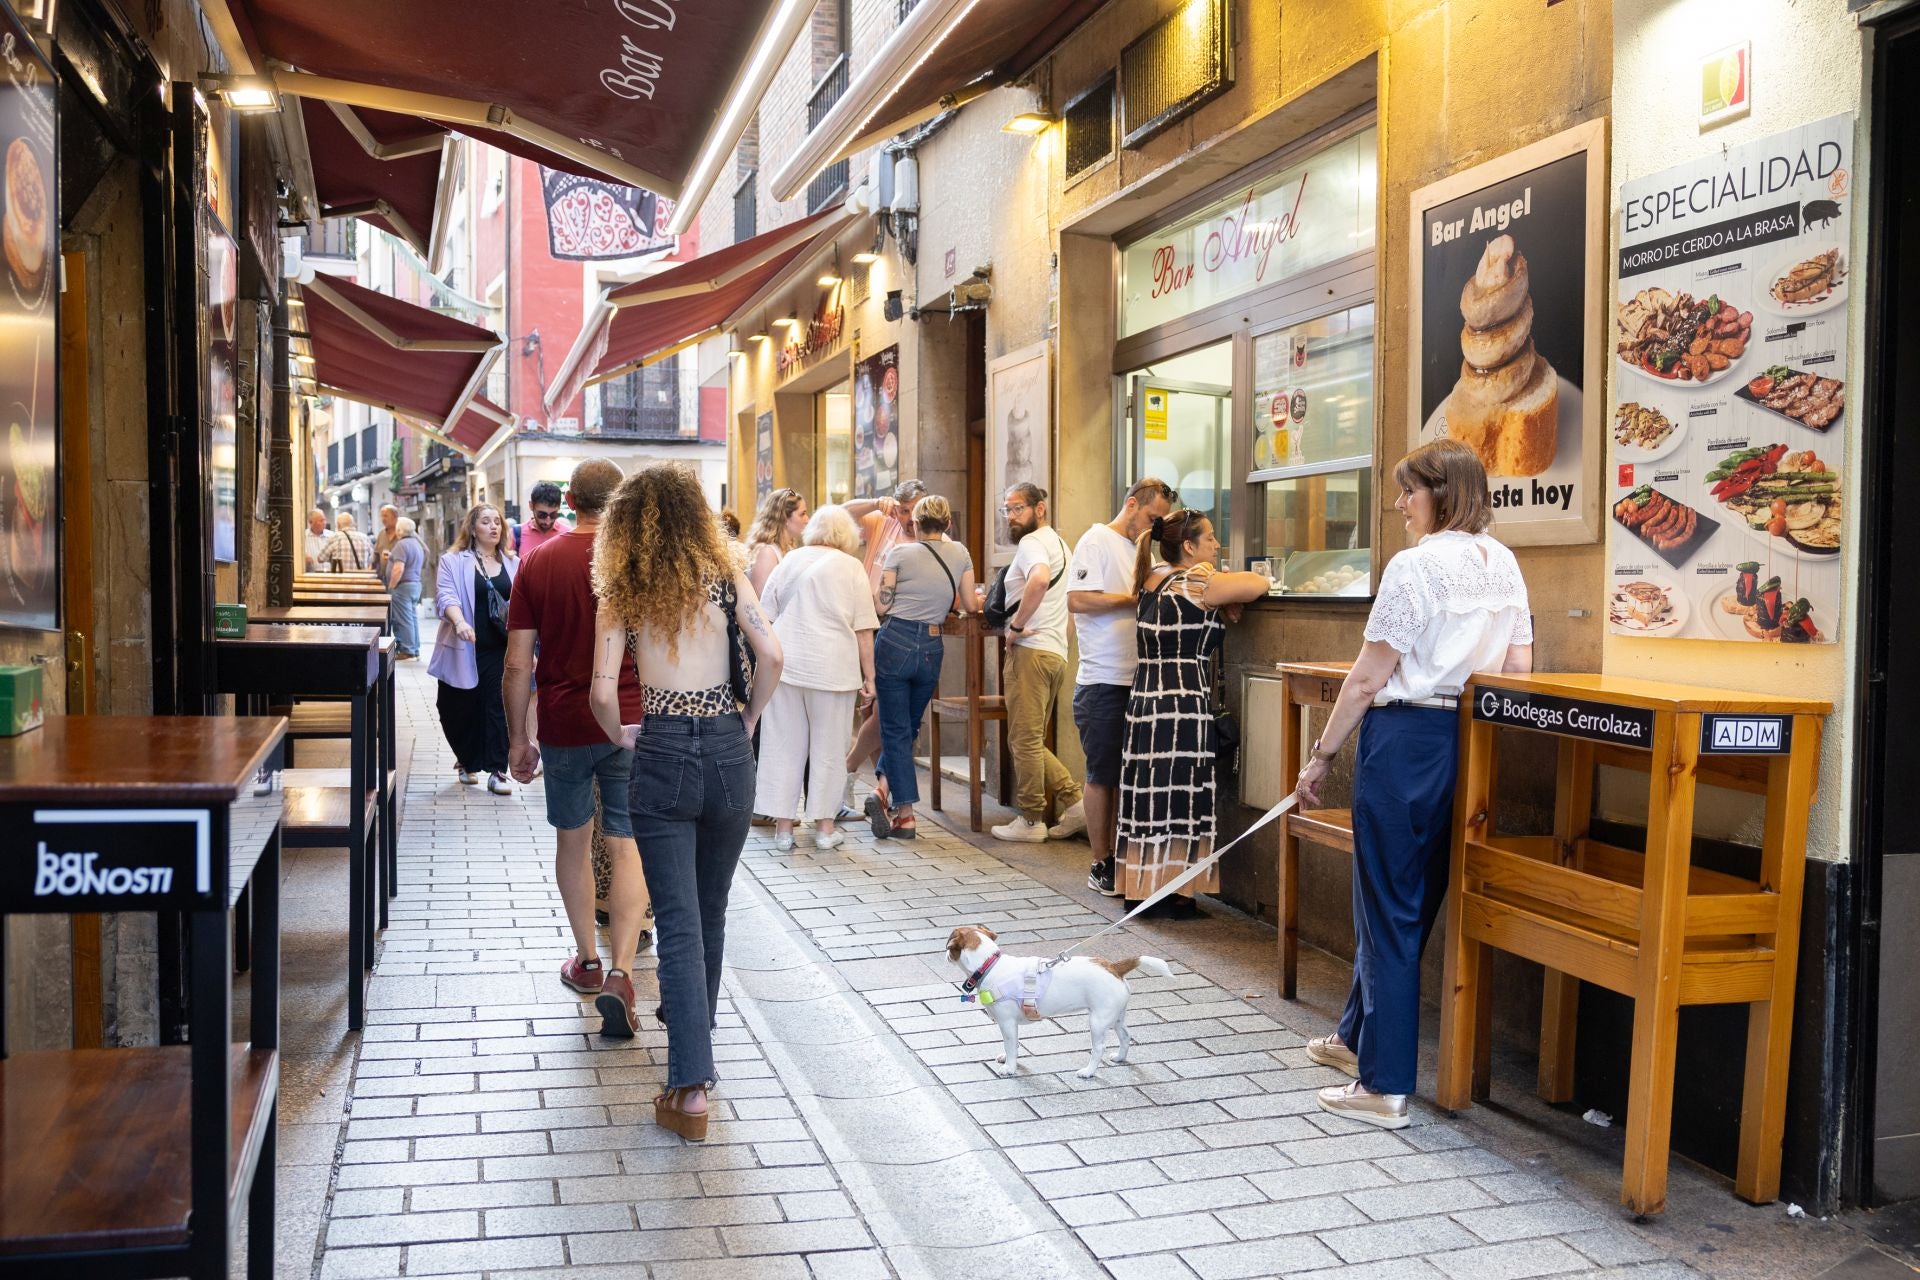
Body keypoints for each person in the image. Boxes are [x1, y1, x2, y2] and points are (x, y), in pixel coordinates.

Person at [1292, 439, 1532, 1130]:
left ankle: (1385, 1086)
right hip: (1471, 740)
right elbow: (1517, 668)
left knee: (1388, 905)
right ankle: (1355, 1038)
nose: (1400, 505)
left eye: (1409, 491)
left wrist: (1320, 756)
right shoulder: (1505, 565)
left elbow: (1368, 675)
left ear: (1442, 493)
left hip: (1404, 742)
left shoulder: (1415, 566)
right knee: (1411, 900)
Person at [589, 463, 783, 1141]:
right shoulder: (729, 576)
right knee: (710, 910)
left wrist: (625, 736)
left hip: (664, 746)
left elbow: (603, 694)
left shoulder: (624, 589)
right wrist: (748, 721)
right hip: (729, 747)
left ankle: (689, 1087)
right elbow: (772, 655)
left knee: (675, 920)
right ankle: (692, 1027)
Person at [503, 459, 654, 1007]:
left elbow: (518, 664)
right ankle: (622, 970)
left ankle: (586, 960)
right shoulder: (639, 563)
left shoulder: (539, 562)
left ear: (570, 498)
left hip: (566, 723)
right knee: (627, 843)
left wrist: (520, 738)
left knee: (573, 839)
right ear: (621, 499)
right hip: (633, 721)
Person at [1114, 509, 1270, 916]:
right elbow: (1259, 582)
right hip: (1181, 701)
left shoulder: (1152, 579)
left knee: (1147, 797)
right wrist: (1226, 590)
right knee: (1183, 797)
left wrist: (1221, 602)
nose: (1216, 546)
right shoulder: (1195, 580)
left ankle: (1141, 890)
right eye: (1211, 539)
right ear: (1189, 546)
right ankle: (1180, 896)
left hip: (1145, 699)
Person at [1067, 478, 1177, 895]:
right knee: (1102, 774)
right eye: (1151, 518)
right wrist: (1132, 600)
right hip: (1102, 680)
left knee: (1131, 777)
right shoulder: (1096, 540)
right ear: (1131, 504)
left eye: (1161, 523)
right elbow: (1077, 600)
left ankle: (1126, 858)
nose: (1154, 527)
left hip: (1141, 678)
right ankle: (1100, 863)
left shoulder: (1143, 550)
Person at [752, 505, 877, 851]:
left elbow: (765, 615)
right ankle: (823, 829)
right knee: (829, 749)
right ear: (846, 535)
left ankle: (783, 830)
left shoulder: (789, 560)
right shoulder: (852, 567)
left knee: (782, 746)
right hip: (833, 670)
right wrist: (871, 678)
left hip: (787, 668)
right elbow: (863, 629)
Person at [865, 494, 974, 840]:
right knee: (908, 727)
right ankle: (883, 792)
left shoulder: (900, 553)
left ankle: (907, 814)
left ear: (914, 523)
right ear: (948, 524)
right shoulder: (960, 553)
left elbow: (882, 607)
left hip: (895, 641)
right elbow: (970, 603)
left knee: (896, 729)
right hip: (931, 644)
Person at [990, 483, 1085, 844]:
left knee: (1024, 740)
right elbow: (1071, 602)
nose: (1012, 517)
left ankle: (1031, 819)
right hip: (1054, 652)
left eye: (1018, 509)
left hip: (1031, 651)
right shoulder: (1063, 545)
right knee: (1027, 738)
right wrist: (1062, 643)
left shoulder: (1032, 544)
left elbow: (1040, 579)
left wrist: (1015, 627)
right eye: (1007, 510)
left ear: (1039, 509)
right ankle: (1075, 804)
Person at [838, 479, 925, 819]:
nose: (907, 518)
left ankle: (848, 771)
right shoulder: (883, 521)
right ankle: (881, 792)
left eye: (912, 511)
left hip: (900, 628)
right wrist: (877, 503)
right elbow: (841, 513)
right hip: (866, 622)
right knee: (869, 711)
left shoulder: (929, 536)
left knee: (884, 712)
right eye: (903, 510)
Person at [429, 503, 519, 793]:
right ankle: (467, 760)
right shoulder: (453, 561)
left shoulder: (513, 563)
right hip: (463, 646)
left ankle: (497, 770)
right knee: (456, 708)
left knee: (497, 706)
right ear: (472, 528)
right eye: (486, 522)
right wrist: (460, 623)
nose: (493, 527)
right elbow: (446, 595)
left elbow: (524, 606)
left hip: (500, 649)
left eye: (497, 522)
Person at [745, 487, 807, 595]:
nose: (807, 519)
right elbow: (762, 602)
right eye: (802, 514)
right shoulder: (767, 553)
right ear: (785, 519)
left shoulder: (788, 549)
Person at [386, 516, 426, 659]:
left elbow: (398, 569)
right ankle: (414, 649)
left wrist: (391, 586)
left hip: (403, 586)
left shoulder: (401, 545)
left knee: (403, 619)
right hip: (415, 584)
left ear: (399, 530)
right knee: (412, 618)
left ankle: (407, 650)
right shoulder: (416, 544)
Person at [518, 480, 574, 559]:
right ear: (531, 506)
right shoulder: (516, 534)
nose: (548, 521)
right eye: (542, 515)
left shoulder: (569, 534)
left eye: (553, 514)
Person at [373, 503, 400, 569]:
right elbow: (376, 555)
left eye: (385, 516)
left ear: (395, 517)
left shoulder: (405, 533)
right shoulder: (381, 534)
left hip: (401, 576)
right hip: (384, 577)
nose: (383, 519)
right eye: (381, 516)